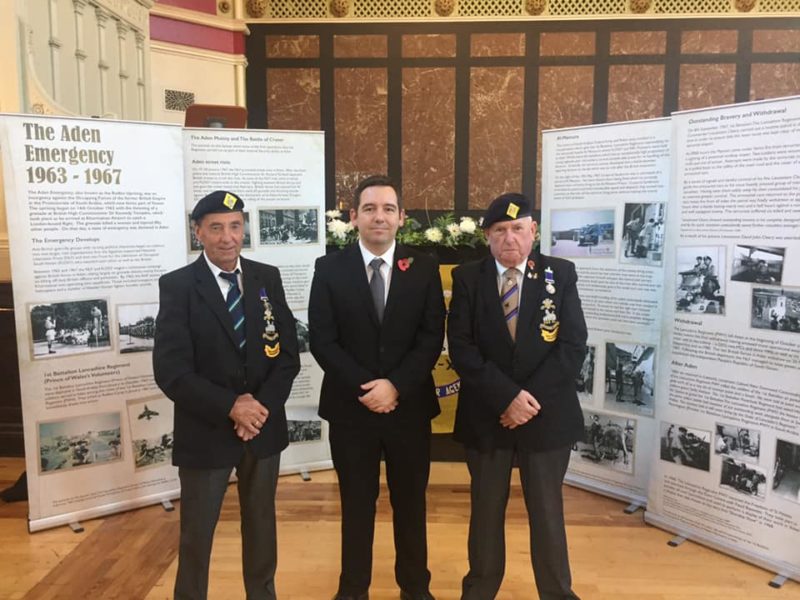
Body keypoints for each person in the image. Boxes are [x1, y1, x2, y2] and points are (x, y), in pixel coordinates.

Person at [153, 190, 300, 600]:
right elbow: (171, 370)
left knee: (261, 529)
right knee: (197, 536)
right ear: (198, 232)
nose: (227, 237)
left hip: (263, 428)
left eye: (235, 226)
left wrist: (259, 408)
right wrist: (231, 406)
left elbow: (287, 355)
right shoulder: (178, 286)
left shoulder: (266, 277)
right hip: (207, 430)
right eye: (216, 227)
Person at [309, 175, 445, 600]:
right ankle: (352, 590)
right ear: (353, 218)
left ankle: (415, 588)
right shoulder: (328, 268)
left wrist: (396, 387)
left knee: (410, 505)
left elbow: (430, 336)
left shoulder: (423, 267)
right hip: (352, 409)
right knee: (356, 504)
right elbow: (322, 339)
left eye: (388, 208)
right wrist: (370, 388)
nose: (379, 217)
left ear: (401, 218)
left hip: (409, 409)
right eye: (369, 209)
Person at [448, 192, 587, 600]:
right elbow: (462, 349)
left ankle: (558, 593)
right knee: (486, 514)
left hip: (545, 417)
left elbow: (572, 345)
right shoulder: (467, 278)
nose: (510, 238)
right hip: (488, 416)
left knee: (546, 513)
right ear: (487, 236)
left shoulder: (559, 274)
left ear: (534, 232)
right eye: (500, 230)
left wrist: (526, 403)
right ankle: (479, 591)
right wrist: (506, 398)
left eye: (518, 229)